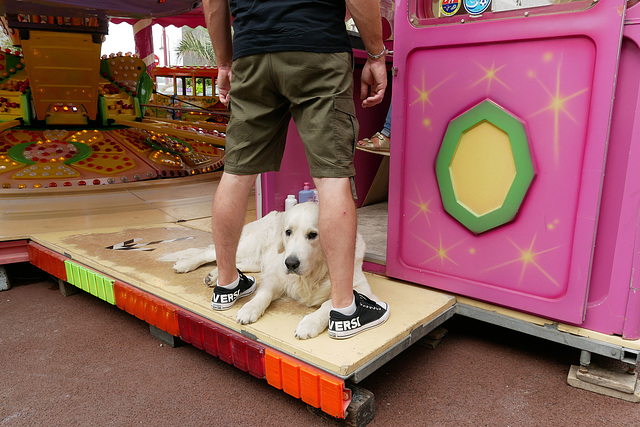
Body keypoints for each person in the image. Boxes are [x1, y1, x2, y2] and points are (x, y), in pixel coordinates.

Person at [202, 0, 390, 339]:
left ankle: (226, 284)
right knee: (331, 178)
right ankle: (345, 309)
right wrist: (376, 55)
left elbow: (214, 4)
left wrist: (224, 62)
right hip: (316, 46)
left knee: (237, 172)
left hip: (252, 51)